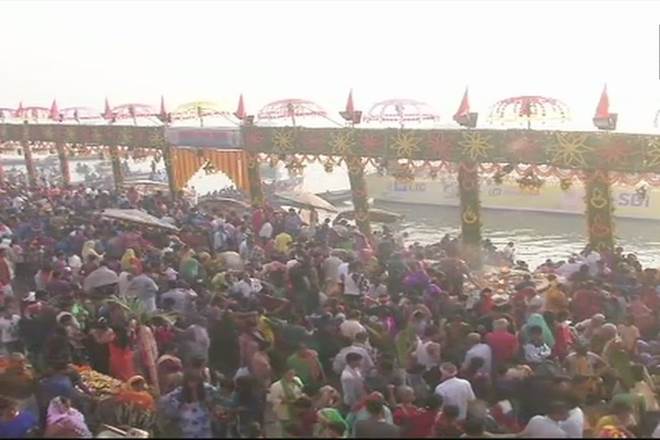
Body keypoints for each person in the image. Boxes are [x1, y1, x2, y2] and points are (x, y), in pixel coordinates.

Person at [159, 372, 220, 438]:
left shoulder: (206, 390)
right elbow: (163, 400)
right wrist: (178, 407)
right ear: (186, 382)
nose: (194, 384)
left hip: (203, 428)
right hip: (188, 428)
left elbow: (218, 397)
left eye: (196, 381)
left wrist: (213, 411)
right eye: (191, 381)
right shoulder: (180, 392)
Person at [267, 368, 304, 437]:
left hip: (298, 412)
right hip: (284, 412)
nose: (291, 376)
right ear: (283, 374)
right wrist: (282, 401)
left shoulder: (297, 381)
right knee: (287, 432)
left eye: (293, 374)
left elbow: (301, 391)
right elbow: (272, 399)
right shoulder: (276, 385)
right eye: (289, 374)